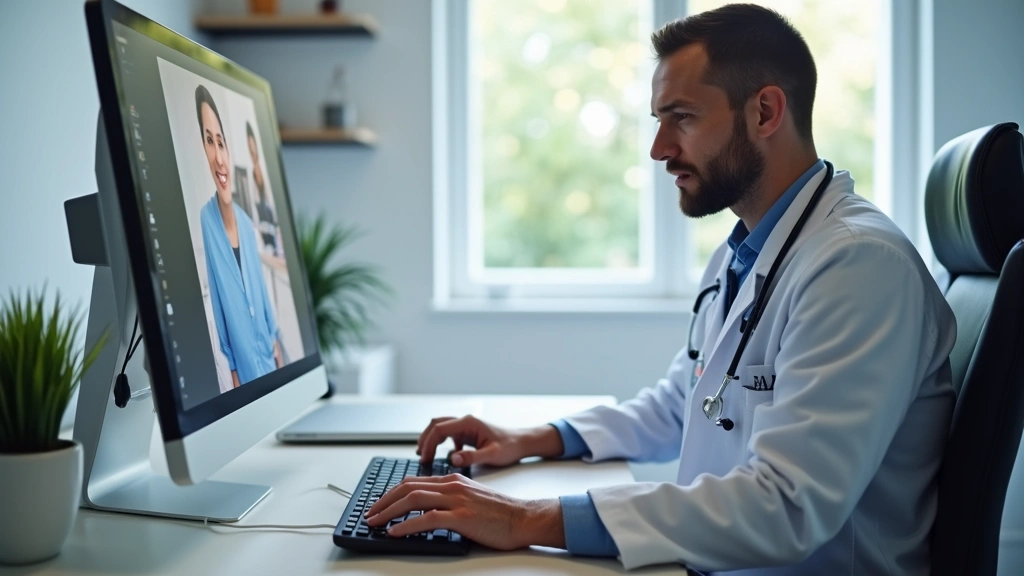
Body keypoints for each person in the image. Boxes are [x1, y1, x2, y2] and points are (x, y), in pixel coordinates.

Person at [364, 5, 957, 575]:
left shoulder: (857, 266)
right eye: (659, 121)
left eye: (684, 118)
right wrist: (530, 440)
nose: (659, 149)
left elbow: (788, 505)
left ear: (765, 112)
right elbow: (682, 404)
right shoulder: (747, 252)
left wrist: (527, 518)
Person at [195, 85, 284, 388]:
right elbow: (218, 303)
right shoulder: (206, 220)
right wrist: (232, 371)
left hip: (268, 355)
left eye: (221, 142)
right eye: (209, 142)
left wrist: (275, 345)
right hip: (243, 369)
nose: (218, 157)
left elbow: (260, 290)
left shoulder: (246, 223)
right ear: (203, 148)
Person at [245, 122, 280, 255]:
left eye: (254, 149)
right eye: (250, 149)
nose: (253, 153)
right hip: (261, 230)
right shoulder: (250, 175)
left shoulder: (266, 173)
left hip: (272, 226)